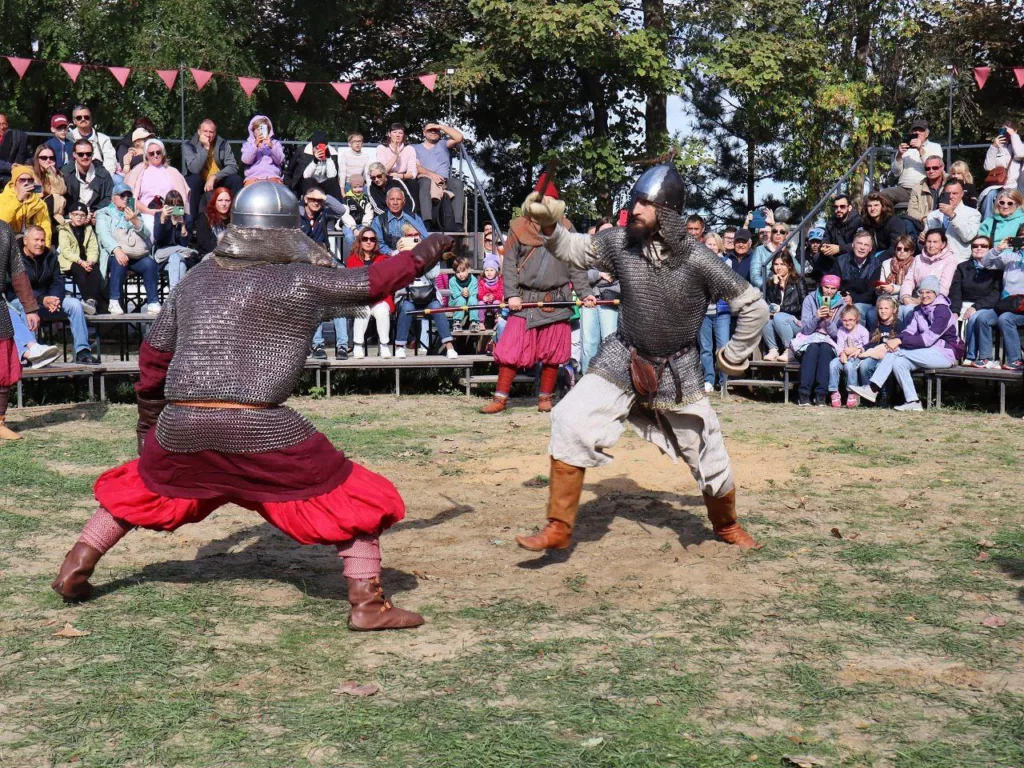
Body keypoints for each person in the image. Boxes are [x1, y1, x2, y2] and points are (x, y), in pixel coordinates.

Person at [50, 181, 452, 632]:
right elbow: (372, 282)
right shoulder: (300, 279)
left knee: (143, 486)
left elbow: (155, 356)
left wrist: (151, 422)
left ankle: (74, 570)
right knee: (353, 494)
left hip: (183, 422)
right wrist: (429, 248)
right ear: (288, 230)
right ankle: (368, 604)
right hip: (258, 424)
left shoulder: (196, 278)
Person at [511, 164, 767, 551]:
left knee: (709, 458)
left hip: (677, 370)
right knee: (569, 416)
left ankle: (726, 525)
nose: (636, 208)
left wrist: (733, 356)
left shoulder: (699, 259)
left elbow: (754, 308)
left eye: (646, 202)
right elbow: (573, 250)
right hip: (623, 355)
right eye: (636, 200)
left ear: (668, 212)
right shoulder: (621, 243)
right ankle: (559, 526)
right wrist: (550, 227)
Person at [479, 183, 594, 415]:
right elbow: (509, 263)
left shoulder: (566, 228)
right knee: (511, 349)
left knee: (553, 353)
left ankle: (545, 398)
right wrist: (510, 294)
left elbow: (575, 265)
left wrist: (585, 292)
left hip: (556, 299)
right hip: (524, 299)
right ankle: (500, 398)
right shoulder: (518, 227)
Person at [851, 276, 962, 410]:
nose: (925, 295)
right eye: (922, 292)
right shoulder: (918, 310)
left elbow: (927, 339)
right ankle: (913, 401)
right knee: (899, 363)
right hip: (928, 352)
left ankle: (873, 388)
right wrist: (896, 340)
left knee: (897, 352)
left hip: (945, 353)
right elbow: (909, 331)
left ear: (936, 293)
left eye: (929, 292)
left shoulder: (942, 311)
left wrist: (899, 341)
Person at [6, 226, 97, 364]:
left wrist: (54, 299)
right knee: (27, 308)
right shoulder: (14, 258)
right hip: (22, 301)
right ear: (25, 240)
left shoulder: (50, 256)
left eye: (43, 240)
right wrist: (43, 299)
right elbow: (17, 287)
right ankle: (33, 354)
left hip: (48, 300)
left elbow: (57, 281)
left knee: (75, 304)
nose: (40, 244)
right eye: (36, 240)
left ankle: (82, 352)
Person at [0, 221, 41, 440]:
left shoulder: (4, 231)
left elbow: (17, 272)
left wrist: (30, 308)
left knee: (2, 368)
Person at [97, 182, 158, 315]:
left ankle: (153, 302)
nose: (125, 198)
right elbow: (104, 235)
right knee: (120, 261)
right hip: (112, 255)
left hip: (134, 254)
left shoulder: (135, 213)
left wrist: (135, 221)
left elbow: (147, 235)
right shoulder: (104, 213)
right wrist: (117, 250)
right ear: (114, 198)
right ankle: (114, 301)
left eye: (128, 195)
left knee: (149, 264)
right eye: (122, 195)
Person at [791, 274, 843, 406]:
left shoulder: (842, 304)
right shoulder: (810, 299)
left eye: (833, 288)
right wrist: (816, 317)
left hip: (829, 339)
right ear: (821, 285)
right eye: (826, 287)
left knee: (825, 350)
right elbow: (806, 329)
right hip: (810, 337)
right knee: (813, 349)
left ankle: (821, 395)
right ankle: (804, 394)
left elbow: (836, 334)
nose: (829, 291)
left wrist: (827, 321)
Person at [951, 235, 1002, 368]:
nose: (979, 248)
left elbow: (996, 293)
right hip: (964, 304)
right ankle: (954, 357)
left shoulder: (997, 268)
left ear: (990, 249)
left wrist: (976, 307)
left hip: (987, 306)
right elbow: (956, 291)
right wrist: (955, 311)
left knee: (975, 317)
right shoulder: (962, 267)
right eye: (975, 246)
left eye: (983, 246)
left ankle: (971, 356)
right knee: (952, 319)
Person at [344, 227, 394, 359]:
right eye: (365, 239)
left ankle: (384, 345)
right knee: (363, 310)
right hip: (360, 299)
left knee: (382, 310)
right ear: (360, 241)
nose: (368, 242)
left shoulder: (384, 259)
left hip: (380, 298)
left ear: (376, 242)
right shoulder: (351, 260)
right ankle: (358, 345)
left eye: (372, 239)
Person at [182, 119, 243, 219]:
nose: (208, 135)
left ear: (215, 133)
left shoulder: (223, 144)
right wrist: (206, 148)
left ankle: (235, 218)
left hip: (218, 180)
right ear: (199, 132)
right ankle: (193, 221)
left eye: (211, 132)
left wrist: (215, 176)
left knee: (235, 179)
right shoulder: (189, 146)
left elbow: (233, 166)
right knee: (193, 179)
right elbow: (194, 169)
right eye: (205, 131)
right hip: (200, 181)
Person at [124, 139, 190, 231]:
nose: (155, 155)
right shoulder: (137, 172)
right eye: (151, 153)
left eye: (158, 152)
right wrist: (149, 211)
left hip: (171, 215)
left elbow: (183, 203)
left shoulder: (173, 172)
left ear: (163, 154)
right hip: (145, 214)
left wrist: (167, 212)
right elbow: (131, 199)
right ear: (146, 155)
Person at [983, 226, 1024, 371]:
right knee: (982, 317)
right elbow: (986, 263)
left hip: (1021, 308)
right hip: (1008, 304)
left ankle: (1016, 360)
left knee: (1005, 318)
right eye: (1021, 235)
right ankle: (985, 358)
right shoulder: (1010, 256)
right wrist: (998, 248)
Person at [414, 122, 465, 230]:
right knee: (425, 182)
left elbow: (459, 137)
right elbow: (417, 167)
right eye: (429, 130)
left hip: (444, 181)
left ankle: (457, 223)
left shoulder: (443, 144)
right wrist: (432, 175)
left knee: (457, 183)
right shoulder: (415, 148)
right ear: (424, 133)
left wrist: (441, 126)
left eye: (436, 130)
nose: (433, 131)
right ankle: (427, 221)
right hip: (425, 178)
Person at [899, 228, 957, 322]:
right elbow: (908, 281)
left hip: (935, 302)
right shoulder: (918, 258)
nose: (931, 245)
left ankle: (911, 336)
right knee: (899, 311)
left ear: (943, 244)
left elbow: (944, 287)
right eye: (929, 241)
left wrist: (924, 300)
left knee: (909, 310)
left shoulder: (950, 260)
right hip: (916, 298)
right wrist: (905, 297)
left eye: (935, 242)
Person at [829, 229, 882, 331]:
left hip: (866, 303)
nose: (862, 247)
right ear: (853, 245)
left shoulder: (876, 264)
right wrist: (845, 296)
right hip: (843, 299)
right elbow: (834, 285)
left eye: (866, 245)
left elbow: (871, 292)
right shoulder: (840, 261)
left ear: (870, 248)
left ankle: (859, 340)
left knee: (857, 309)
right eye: (859, 243)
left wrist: (852, 298)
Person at [698, 232, 732, 390]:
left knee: (723, 347)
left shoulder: (727, 262)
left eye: (714, 244)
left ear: (719, 245)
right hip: (703, 312)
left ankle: (723, 380)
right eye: (709, 244)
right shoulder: (697, 262)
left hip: (722, 311)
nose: (712, 247)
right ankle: (709, 380)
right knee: (706, 348)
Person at [880, 119, 943, 204]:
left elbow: (934, 167)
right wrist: (899, 155)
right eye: (915, 130)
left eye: (921, 130)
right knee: (881, 195)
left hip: (925, 189)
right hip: (904, 189)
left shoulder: (935, 147)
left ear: (927, 133)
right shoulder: (905, 147)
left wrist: (920, 148)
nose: (917, 132)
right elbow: (896, 172)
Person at [57, 202, 104, 314]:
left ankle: (91, 301)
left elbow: (93, 248)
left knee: (96, 271)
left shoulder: (88, 229)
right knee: (79, 271)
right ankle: (87, 298)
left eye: (82, 215)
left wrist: (91, 261)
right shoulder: (64, 230)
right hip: (70, 261)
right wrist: (81, 262)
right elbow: (66, 251)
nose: (79, 217)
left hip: (86, 261)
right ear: (71, 215)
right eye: (76, 214)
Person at [923, 178, 981, 262]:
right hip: (934, 261)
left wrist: (952, 216)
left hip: (958, 261)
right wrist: (922, 239)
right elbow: (925, 242)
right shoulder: (932, 215)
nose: (950, 196)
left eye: (955, 193)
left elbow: (968, 237)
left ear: (962, 194)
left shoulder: (973, 214)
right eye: (948, 193)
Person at [761, 252, 805, 361]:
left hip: (796, 321)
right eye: (776, 264)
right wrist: (776, 286)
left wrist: (782, 309)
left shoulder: (798, 281)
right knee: (765, 318)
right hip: (777, 320)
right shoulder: (770, 283)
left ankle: (789, 350)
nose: (778, 267)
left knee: (779, 316)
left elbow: (804, 306)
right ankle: (773, 350)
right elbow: (770, 306)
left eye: (782, 264)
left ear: (790, 265)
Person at [856, 296, 901, 400]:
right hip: (876, 355)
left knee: (881, 366)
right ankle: (867, 396)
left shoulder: (898, 325)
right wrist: (862, 349)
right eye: (880, 308)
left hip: (889, 356)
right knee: (865, 366)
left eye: (886, 308)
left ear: (894, 310)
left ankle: (885, 397)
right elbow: (872, 342)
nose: (883, 311)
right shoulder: (876, 324)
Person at [153, 190, 198, 292]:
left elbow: (184, 244)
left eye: (178, 205)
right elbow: (158, 239)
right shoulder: (159, 215)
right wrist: (163, 219)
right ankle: (178, 297)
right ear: (166, 206)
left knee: (179, 262)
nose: (175, 208)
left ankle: (173, 297)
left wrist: (182, 226)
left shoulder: (188, 218)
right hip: (164, 257)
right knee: (175, 257)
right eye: (171, 205)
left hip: (180, 257)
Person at [827, 305, 869, 408]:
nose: (848, 323)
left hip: (858, 357)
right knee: (833, 364)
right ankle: (834, 391)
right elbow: (840, 346)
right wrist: (842, 353)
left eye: (851, 320)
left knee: (849, 366)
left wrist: (856, 350)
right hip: (844, 355)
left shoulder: (863, 331)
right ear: (841, 320)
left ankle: (851, 391)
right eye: (845, 320)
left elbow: (866, 347)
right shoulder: (841, 330)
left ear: (857, 319)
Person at [0, 164, 52, 245]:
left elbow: (46, 229)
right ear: (14, 182)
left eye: (30, 180)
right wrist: (18, 200)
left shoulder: (40, 204)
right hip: (9, 242)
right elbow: (2, 222)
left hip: (32, 244)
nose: (26, 183)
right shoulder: (2, 198)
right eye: (22, 180)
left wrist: (45, 248)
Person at [285, 129, 342, 200]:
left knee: (332, 182)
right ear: (312, 146)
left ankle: (337, 207)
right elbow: (305, 176)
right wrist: (315, 161)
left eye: (322, 148)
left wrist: (328, 157)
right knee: (309, 181)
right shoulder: (302, 152)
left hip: (324, 184)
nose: (319, 150)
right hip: (308, 184)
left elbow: (332, 176)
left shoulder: (332, 154)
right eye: (316, 148)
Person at [980, 123, 1024, 217]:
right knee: (990, 195)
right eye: (1003, 131)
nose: (1005, 134)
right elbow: (988, 167)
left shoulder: (1019, 145)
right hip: (998, 186)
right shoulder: (999, 148)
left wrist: (1013, 135)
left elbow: (1020, 154)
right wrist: (994, 147)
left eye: (1007, 131)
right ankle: (987, 225)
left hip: (1015, 187)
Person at [376, 123, 420, 215]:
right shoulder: (381, 148)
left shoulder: (409, 149)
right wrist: (396, 155)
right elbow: (382, 170)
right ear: (389, 134)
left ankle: (413, 214)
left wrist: (400, 175)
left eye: (400, 133)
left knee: (413, 183)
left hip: (403, 177)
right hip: (388, 177)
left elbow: (412, 173)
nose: (397, 135)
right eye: (394, 132)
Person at [62, 138, 114, 213]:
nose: (85, 157)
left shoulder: (103, 174)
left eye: (88, 154)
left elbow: (109, 197)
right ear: (74, 155)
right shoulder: (65, 173)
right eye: (80, 154)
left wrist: (96, 212)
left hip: (96, 214)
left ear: (92, 154)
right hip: (72, 214)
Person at [371, 188, 428, 255]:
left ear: (404, 202)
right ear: (387, 202)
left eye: (399, 199)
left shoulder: (414, 218)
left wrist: (411, 241)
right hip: (388, 259)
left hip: (411, 257)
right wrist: (391, 253)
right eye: (392, 199)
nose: (395, 203)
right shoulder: (378, 220)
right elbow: (377, 243)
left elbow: (424, 239)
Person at [69, 105, 117, 176]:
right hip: (74, 176)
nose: (83, 119)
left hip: (100, 175)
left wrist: (103, 178)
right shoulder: (68, 137)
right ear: (74, 121)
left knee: (119, 182)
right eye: (79, 118)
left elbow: (110, 162)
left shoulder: (104, 139)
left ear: (91, 119)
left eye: (86, 117)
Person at [241, 115, 285, 185]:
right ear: (253, 131)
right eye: (258, 129)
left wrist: (271, 146)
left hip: (273, 177)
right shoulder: (248, 144)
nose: (260, 132)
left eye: (263, 129)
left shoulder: (275, 143)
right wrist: (255, 146)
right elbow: (246, 160)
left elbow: (279, 161)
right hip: (253, 178)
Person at [32, 143, 67, 228]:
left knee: (58, 197)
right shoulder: (31, 173)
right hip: (36, 211)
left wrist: (52, 174)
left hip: (54, 214)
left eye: (51, 158)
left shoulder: (57, 173)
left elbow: (61, 191)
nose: (48, 160)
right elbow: (38, 194)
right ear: (37, 159)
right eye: (44, 158)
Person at [749, 221, 791, 290]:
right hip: (767, 293)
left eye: (782, 232)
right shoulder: (760, 250)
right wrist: (769, 286)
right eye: (775, 231)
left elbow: (799, 271)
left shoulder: (788, 251)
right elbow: (754, 277)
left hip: (785, 291)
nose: (778, 233)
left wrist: (785, 251)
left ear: (786, 235)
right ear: (771, 234)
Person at [907, 155, 946, 228]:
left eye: (935, 168)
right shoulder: (917, 188)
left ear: (942, 167)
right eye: (927, 168)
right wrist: (924, 218)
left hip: (946, 223)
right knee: (906, 223)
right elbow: (911, 210)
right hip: (924, 224)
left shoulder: (950, 184)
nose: (931, 171)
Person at [340, 173, 375, 254]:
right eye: (355, 187)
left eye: (360, 187)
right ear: (351, 187)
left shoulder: (366, 198)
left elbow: (369, 213)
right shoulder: (346, 199)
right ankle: (354, 255)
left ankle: (364, 255)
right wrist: (354, 228)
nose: (358, 189)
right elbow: (345, 215)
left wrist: (364, 226)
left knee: (366, 236)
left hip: (363, 224)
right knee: (349, 237)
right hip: (348, 225)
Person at [877, 234, 917, 304]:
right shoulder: (886, 263)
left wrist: (893, 289)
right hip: (887, 299)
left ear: (912, 251)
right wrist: (879, 290)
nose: (902, 251)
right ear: (895, 250)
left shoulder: (916, 263)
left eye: (906, 249)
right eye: (899, 248)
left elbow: (913, 288)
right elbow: (882, 285)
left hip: (908, 298)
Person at [477, 253, 505, 348]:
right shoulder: (482, 281)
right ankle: (481, 322)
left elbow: (500, 293)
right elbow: (480, 292)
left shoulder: (499, 281)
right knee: (480, 304)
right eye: (487, 270)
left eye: (492, 270)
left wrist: (493, 296)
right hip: (485, 302)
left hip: (494, 301)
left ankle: (497, 320)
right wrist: (483, 297)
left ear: (496, 271)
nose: (489, 272)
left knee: (498, 304)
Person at [821, 194, 863, 260]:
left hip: (852, 256)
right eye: (836, 207)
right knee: (818, 257)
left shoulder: (858, 222)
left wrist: (839, 249)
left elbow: (860, 245)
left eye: (842, 206)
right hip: (835, 256)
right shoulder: (831, 223)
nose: (838, 209)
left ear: (849, 208)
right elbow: (826, 238)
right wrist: (824, 246)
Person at [195, 187, 232, 256]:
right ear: (214, 201)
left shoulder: (234, 218)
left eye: (227, 200)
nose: (224, 204)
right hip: (210, 255)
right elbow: (204, 243)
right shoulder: (205, 217)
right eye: (220, 200)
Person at [448, 255, 479, 332]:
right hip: (456, 302)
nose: (460, 274)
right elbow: (454, 294)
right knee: (461, 299)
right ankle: (457, 322)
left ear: (468, 270)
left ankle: (474, 322)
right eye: (457, 272)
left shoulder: (473, 280)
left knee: (473, 299)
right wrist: (461, 293)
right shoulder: (452, 280)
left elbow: (474, 293)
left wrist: (469, 293)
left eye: (463, 271)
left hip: (469, 301)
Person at [0, 113, 30, 188]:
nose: (2, 127)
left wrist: (30, 164)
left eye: (4, 124)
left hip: (16, 174)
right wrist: (10, 166)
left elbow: (25, 156)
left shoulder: (15, 139)